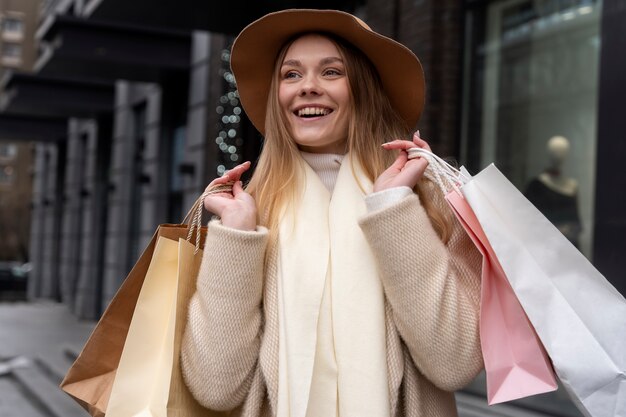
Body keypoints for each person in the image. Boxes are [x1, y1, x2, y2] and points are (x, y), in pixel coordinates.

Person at [181, 9, 483, 417]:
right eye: (291, 75)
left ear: (362, 89)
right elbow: (215, 388)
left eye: (331, 72)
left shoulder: (425, 202)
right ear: (277, 97)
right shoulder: (250, 216)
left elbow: (455, 364)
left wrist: (393, 209)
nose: (307, 87)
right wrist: (236, 234)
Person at [525, 135, 582, 247]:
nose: (559, 155)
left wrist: (567, 231)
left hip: (567, 247)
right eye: (555, 151)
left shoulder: (572, 186)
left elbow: (577, 223)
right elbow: (527, 221)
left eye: (562, 151)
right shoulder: (536, 186)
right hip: (544, 246)